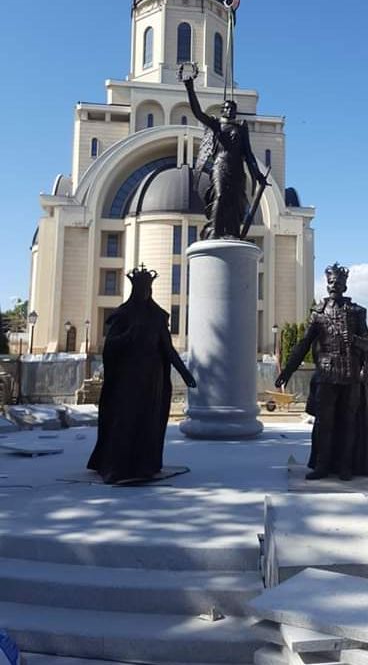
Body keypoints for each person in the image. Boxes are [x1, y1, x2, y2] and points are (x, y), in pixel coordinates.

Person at [87, 266, 196, 484]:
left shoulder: (157, 316)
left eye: (147, 290)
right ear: (134, 290)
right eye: (141, 289)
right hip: (127, 378)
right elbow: (110, 346)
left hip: (152, 379)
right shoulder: (123, 314)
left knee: (148, 421)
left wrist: (185, 373)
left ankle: (145, 464)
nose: (145, 293)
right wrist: (128, 335)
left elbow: (167, 348)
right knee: (124, 420)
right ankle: (117, 465)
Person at [275, 263, 368, 481]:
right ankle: (322, 466)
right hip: (326, 374)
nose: (334, 286)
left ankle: (345, 466)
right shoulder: (318, 314)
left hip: (350, 375)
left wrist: (355, 340)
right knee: (324, 423)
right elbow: (303, 344)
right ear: (327, 284)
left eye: (338, 282)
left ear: (345, 286)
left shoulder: (357, 312)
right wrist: (287, 371)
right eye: (331, 282)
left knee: (348, 422)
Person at [182, 74, 267, 239]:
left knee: (235, 202)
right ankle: (215, 232)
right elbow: (198, 113)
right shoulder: (216, 125)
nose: (230, 110)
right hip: (220, 166)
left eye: (232, 108)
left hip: (237, 169)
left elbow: (248, 154)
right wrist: (190, 88)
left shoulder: (241, 128)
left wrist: (258, 175)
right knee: (220, 196)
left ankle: (232, 233)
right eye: (227, 108)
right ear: (222, 110)